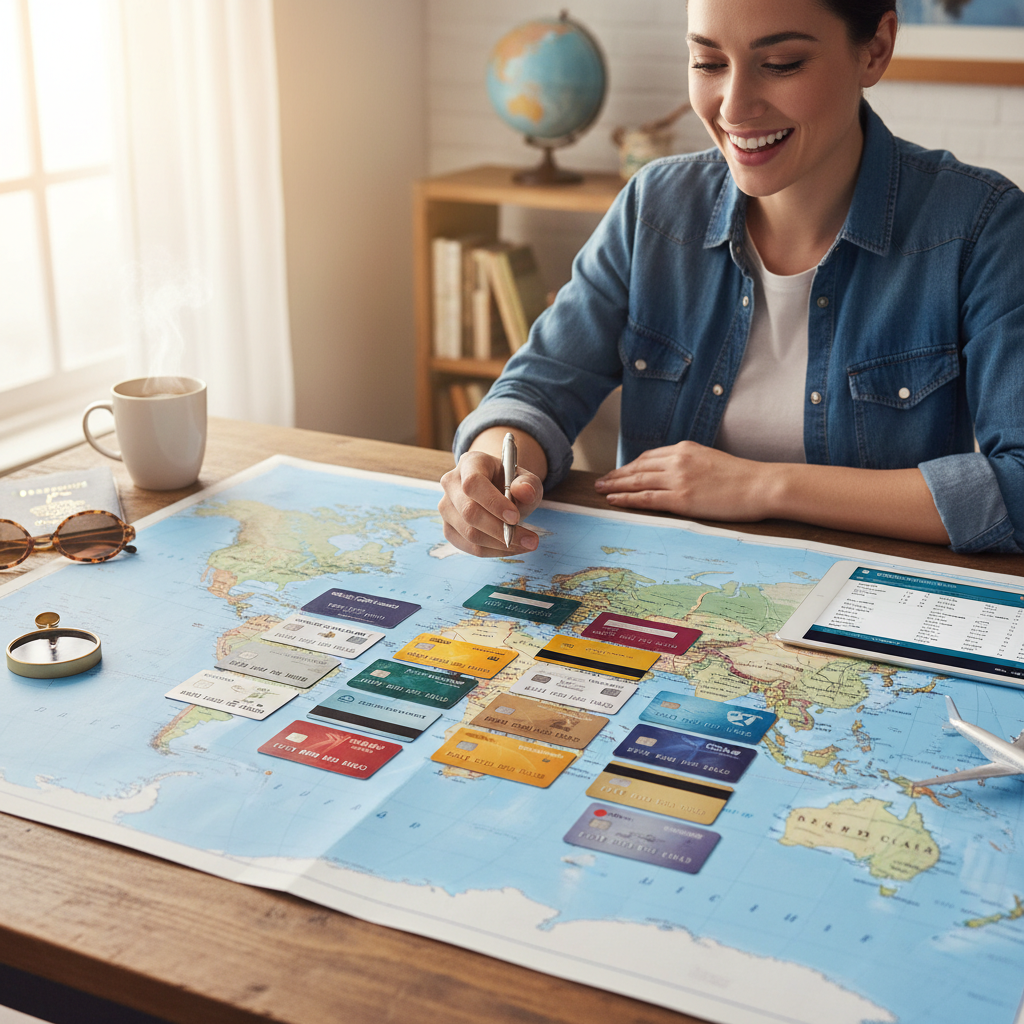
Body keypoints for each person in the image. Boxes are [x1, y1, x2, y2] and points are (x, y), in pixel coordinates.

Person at [439, 0, 1023, 559]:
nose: (734, 108)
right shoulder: (654, 208)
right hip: (668, 589)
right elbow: (537, 391)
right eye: (708, 62)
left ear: (875, 50)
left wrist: (762, 486)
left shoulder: (981, 227)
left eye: (781, 64)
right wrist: (489, 469)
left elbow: (1017, 485)